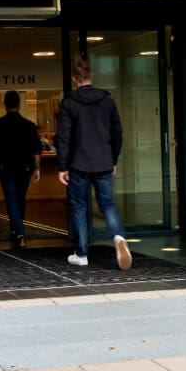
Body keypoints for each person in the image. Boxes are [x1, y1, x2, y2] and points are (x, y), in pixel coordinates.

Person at [55, 58, 131, 270]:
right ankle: (118, 236)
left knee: (79, 206)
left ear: (74, 79)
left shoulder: (69, 103)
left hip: (79, 163)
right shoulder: (107, 101)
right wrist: (112, 159)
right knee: (107, 204)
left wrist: (63, 167)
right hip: (103, 161)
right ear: (92, 76)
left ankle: (82, 254)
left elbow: (64, 137)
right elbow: (117, 133)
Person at [0, 90, 42, 248]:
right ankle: (16, 228)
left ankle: (20, 232)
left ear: (5, 104)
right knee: (20, 198)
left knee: (11, 198)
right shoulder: (29, 125)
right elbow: (36, 149)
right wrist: (37, 169)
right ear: (19, 104)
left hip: (5, 168)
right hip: (25, 168)